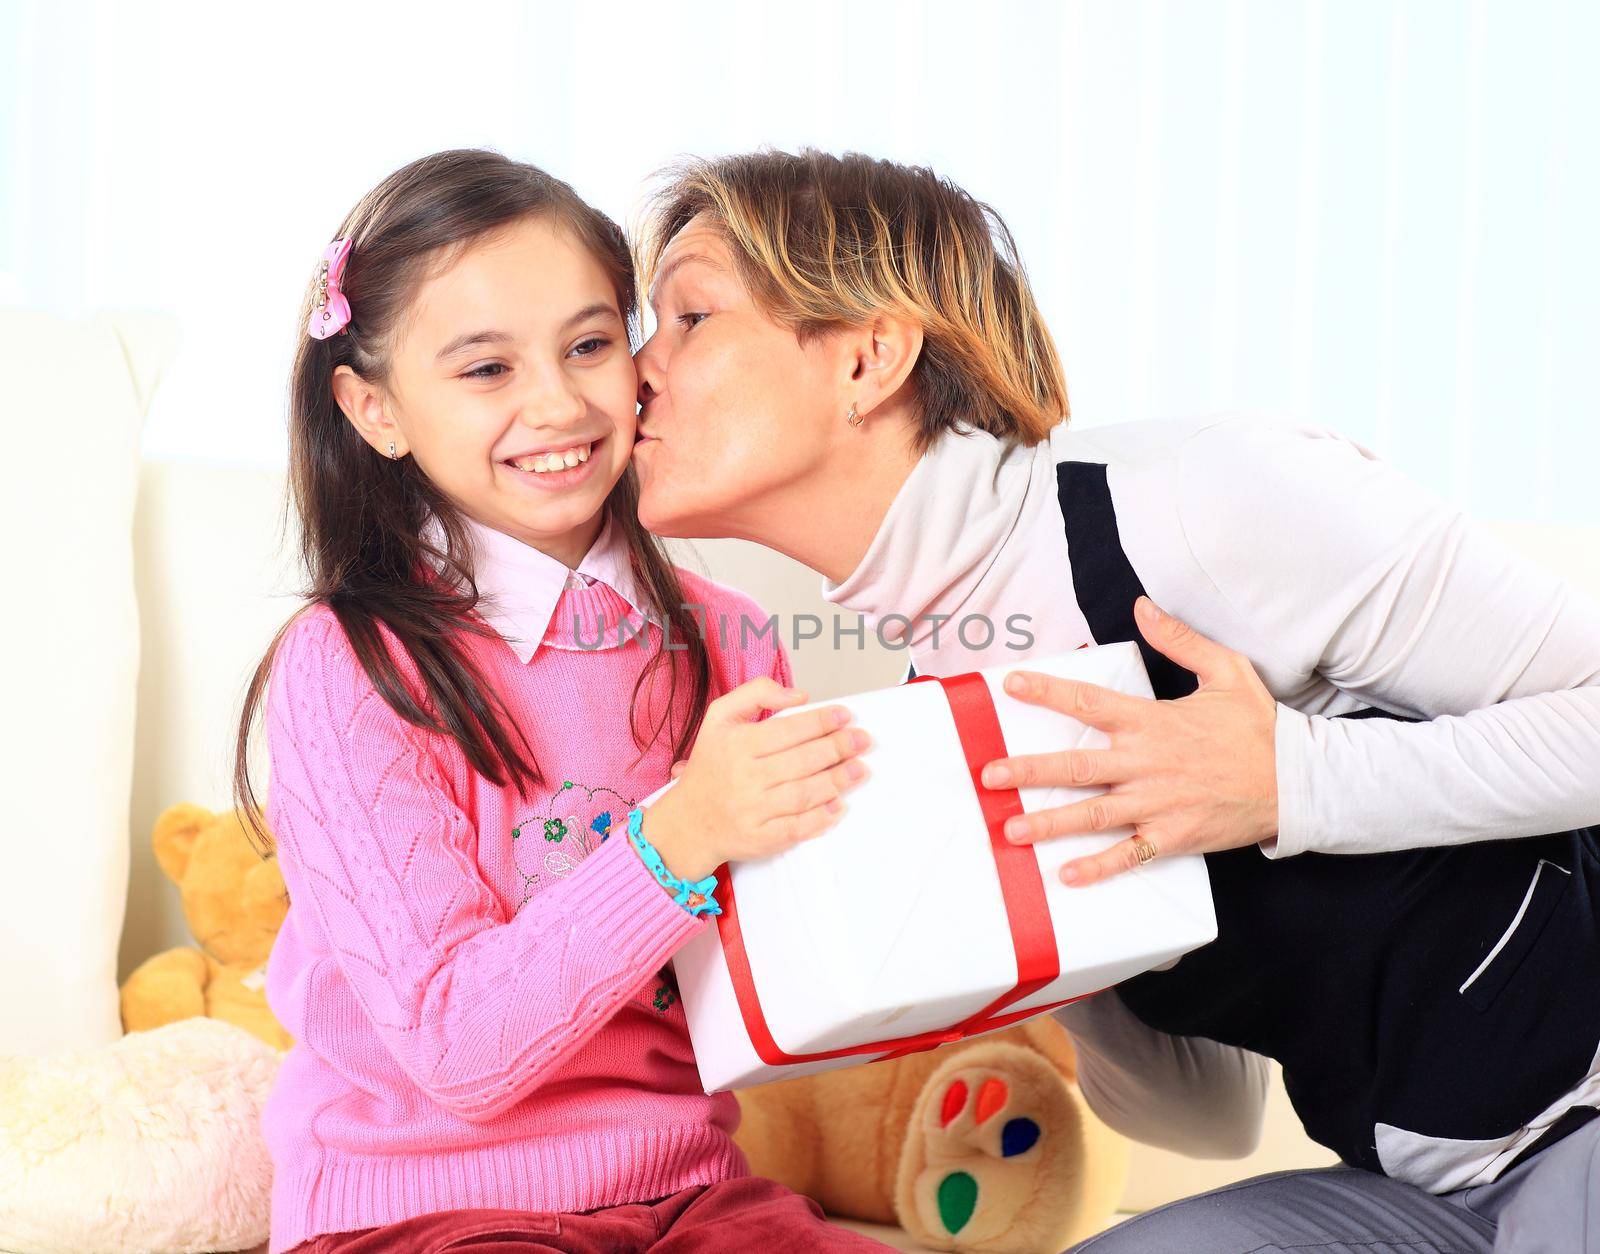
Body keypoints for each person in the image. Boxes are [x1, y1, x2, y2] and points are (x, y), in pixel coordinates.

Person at [629, 147, 1600, 1253]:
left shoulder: (1198, 501)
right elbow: (1212, 1118)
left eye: (689, 316)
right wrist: (1037, 968)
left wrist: (1282, 783)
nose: (635, 369)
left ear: (868, 357)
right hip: (1416, 1194)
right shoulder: (942, 728)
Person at [231, 149, 891, 1254]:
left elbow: (782, 979)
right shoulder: (351, 667)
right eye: (485, 369)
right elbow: (456, 1049)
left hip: (689, 1192)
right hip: (422, 1209)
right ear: (375, 408)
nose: (557, 401)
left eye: (589, 345)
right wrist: (681, 833)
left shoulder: (728, 635)